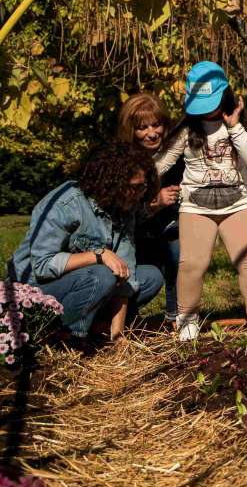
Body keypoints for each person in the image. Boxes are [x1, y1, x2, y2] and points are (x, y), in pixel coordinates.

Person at [154, 61, 247, 341]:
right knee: (192, 264)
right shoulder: (186, 132)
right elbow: (159, 164)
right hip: (196, 206)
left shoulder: (236, 128)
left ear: (226, 96)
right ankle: (187, 320)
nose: (206, 109)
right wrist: (137, 176)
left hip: (237, 203)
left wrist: (235, 126)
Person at [9, 143, 163, 341]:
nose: (139, 194)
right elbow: (42, 265)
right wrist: (98, 256)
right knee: (102, 275)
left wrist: (118, 336)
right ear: (111, 183)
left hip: (85, 282)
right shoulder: (66, 204)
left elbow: (126, 272)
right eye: (134, 187)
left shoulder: (125, 206)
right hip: (35, 289)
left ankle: (100, 326)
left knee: (150, 277)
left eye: (142, 186)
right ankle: (71, 336)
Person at [118, 93, 183, 324]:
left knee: (178, 253)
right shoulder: (123, 162)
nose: (152, 133)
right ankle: (125, 315)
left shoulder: (175, 154)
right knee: (139, 270)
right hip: (135, 230)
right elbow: (123, 213)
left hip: (171, 225)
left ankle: (176, 315)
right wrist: (155, 203)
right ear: (131, 130)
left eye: (156, 125)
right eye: (142, 128)